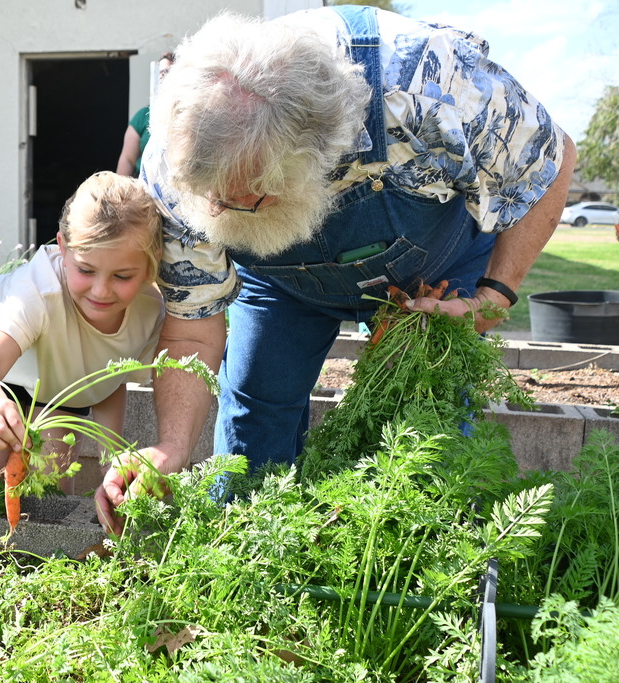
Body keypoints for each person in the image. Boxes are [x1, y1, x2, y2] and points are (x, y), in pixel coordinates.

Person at [95, 6, 577, 533]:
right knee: (253, 431)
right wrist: (170, 446)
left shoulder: (423, 82)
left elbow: (551, 162)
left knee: (423, 444)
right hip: (281, 285)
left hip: (432, 271)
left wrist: (495, 294)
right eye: (207, 200)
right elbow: (191, 326)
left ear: (309, 165)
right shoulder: (178, 160)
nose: (214, 215)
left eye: (241, 201)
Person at [0, 171, 164, 492]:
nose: (101, 290)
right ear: (63, 249)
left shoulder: (149, 311)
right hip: (5, 373)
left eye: (122, 276)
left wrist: (111, 459)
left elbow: (109, 381)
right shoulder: (36, 294)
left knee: (51, 482)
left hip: (63, 385)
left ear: (151, 268)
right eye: (85, 270)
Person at [115, 52, 174, 178]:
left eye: (168, 72)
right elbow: (127, 159)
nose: (163, 77)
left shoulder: (189, 115)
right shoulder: (143, 116)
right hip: (144, 188)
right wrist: (119, 195)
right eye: (160, 72)